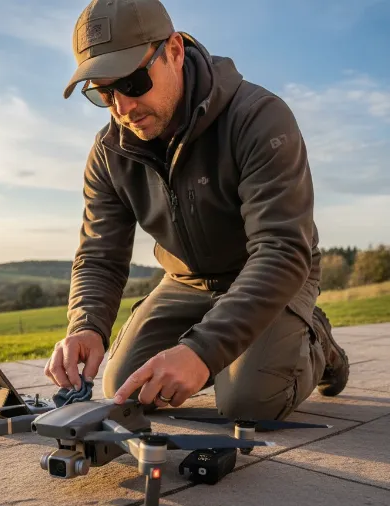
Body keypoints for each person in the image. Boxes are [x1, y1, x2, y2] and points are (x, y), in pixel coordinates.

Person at [44, 0, 350, 419]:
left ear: (173, 51)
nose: (122, 107)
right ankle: (239, 344)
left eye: (133, 83)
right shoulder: (109, 151)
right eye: (103, 92)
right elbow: (100, 255)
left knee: (249, 403)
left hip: (271, 273)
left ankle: (316, 338)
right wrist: (86, 325)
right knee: (127, 390)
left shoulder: (259, 118)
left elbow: (281, 249)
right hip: (185, 281)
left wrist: (200, 352)